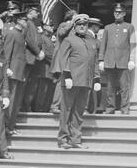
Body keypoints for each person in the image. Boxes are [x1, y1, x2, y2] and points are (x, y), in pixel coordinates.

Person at [58, 14, 100, 149]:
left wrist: (97, 78)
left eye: (85, 25)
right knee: (67, 110)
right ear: (75, 26)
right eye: (79, 24)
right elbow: (63, 59)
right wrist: (67, 75)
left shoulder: (92, 42)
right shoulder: (68, 40)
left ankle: (75, 140)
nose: (82, 26)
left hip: (86, 82)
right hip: (72, 81)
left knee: (79, 112)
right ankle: (63, 139)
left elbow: (94, 62)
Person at [99, 3, 135, 115]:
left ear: (124, 13)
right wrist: (101, 60)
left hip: (123, 61)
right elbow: (103, 45)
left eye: (119, 12)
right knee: (110, 87)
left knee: (124, 87)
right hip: (110, 61)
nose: (117, 14)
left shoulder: (129, 27)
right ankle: (110, 108)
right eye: (115, 12)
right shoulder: (108, 28)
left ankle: (125, 109)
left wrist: (132, 59)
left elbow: (132, 44)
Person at [3, 10, 28, 136]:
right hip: (12, 72)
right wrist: (7, 67)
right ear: (18, 20)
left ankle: (11, 126)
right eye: (24, 20)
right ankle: (6, 126)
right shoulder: (12, 33)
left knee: (16, 101)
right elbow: (7, 53)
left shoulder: (20, 34)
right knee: (11, 101)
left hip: (19, 72)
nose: (26, 22)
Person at [21, 6, 45, 112]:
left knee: (30, 84)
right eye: (36, 12)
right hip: (28, 57)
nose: (38, 14)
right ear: (30, 12)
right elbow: (28, 39)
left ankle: (26, 105)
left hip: (33, 58)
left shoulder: (33, 24)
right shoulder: (27, 23)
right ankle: (21, 106)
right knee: (24, 82)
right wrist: (38, 51)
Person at [34, 24, 56, 112]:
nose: (52, 28)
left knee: (48, 91)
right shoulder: (42, 38)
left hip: (50, 69)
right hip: (44, 68)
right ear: (45, 28)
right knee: (42, 91)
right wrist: (54, 61)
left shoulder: (49, 40)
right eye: (50, 26)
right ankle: (39, 109)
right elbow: (45, 53)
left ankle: (44, 109)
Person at [86, 17, 102, 114]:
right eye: (98, 26)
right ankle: (85, 108)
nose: (99, 28)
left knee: (91, 89)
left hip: (93, 67)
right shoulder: (88, 36)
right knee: (87, 89)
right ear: (93, 26)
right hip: (88, 66)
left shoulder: (93, 37)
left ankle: (90, 108)